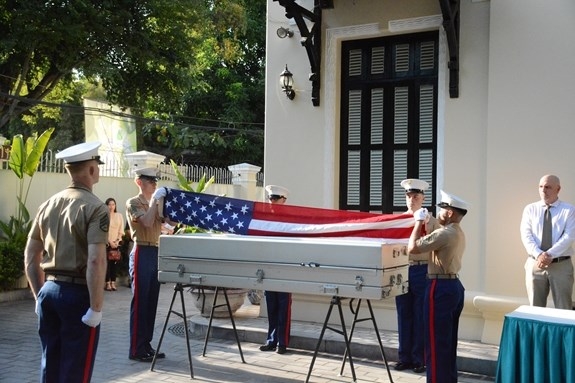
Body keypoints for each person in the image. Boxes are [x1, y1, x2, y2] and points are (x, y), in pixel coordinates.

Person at [24, 141, 109, 382]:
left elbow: (31, 256)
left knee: (50, 364)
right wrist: (96, 307)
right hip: (78, 295)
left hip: (49, 291)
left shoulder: (47, 205)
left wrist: (39, 296)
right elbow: (96, 261)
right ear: (91, 170)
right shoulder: (96, 208)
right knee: (75, 370)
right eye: (97, 166)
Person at [407, 190, 468, 383]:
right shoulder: (456, 232)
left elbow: (413, 248)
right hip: (453, 286)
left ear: (450, 213)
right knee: (447, 342)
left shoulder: (445, 233)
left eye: (443, 209)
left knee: (434, 342)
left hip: (439, 287)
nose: (439, 213)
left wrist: (418, 221)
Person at [394, 179, 440, 374]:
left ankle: (419, 358)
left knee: (421, 315)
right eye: (408, 196)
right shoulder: (398, 220)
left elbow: (438, 244)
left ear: (423, 198)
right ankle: (404, 357)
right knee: (404, 314)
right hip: (403, 268)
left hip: (422, 270)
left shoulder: (432, 221)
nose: (411, 200)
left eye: (416, 197)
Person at [126, 167, 169, 362]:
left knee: (151, 302)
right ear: (139, 182)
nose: (154, 184)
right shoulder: (134, 203)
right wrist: (154, 203)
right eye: (150, 181)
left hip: (156, 252)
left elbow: (167, 226)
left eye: (155, 181)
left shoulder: (157, 203)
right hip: (142, 251)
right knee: (140, 301)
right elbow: (146, 222)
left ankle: (146, 344)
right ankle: (136, 348)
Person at [520, 174, 575, 310]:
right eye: (541, 186)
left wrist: (548, 255)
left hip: (560, 265)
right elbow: (526, 235)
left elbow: (569, 236)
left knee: (564, 309)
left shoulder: (569, 210)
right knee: (535, 309)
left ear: (558, 189)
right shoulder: (530, 209)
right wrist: (539, 255)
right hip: (535, 264)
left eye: (548, 187)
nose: (544, 190)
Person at [259, 185, 292, 355]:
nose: (271, 202)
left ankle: (282, 342)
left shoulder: (290, 219)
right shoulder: (265, 218)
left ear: (283, 200)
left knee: (283, 306)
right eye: (270, 199)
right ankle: (271, 340)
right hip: (269, 266)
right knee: (271, 305)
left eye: (275, 199)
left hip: (284, 267)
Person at [105, 197, 124, 291]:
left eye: (113, 204)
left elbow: (121, 230)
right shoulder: (104, 216)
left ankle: (113, 282)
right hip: (107, 243)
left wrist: (117, 241)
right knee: (107, 264)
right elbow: (104, 230)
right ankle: (107, 283)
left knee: (114, 264)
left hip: (116, 243)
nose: (111, 206)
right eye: (109, 204)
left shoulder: (119, 215)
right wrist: (110, 242)